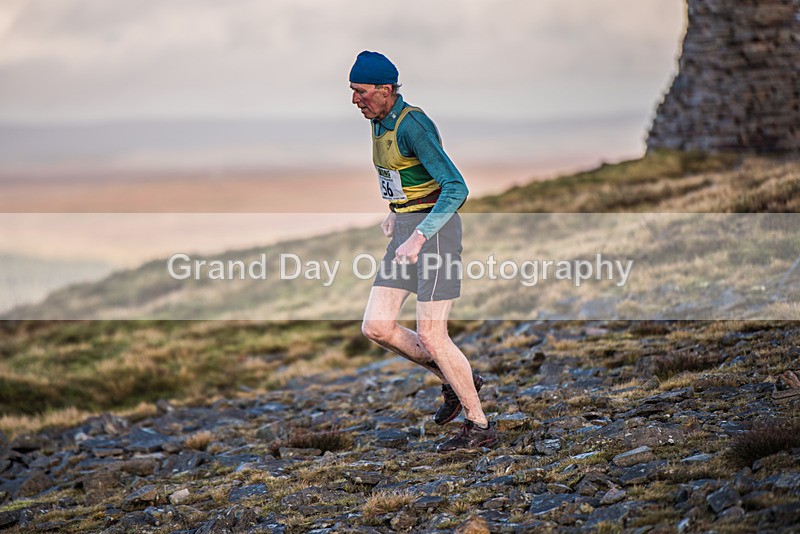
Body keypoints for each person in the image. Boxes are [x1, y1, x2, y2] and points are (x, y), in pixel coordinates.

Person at [350, 50, 498, 452]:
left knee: (433, 333)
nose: (354, 101)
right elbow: (401, 178)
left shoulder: (412, 124)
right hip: (407, 229)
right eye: (351, 92)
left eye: (361, 92)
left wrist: (420, 233)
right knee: (376, 326)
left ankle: (479, 424)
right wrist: (394, 213)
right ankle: (454, 378)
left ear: (385, 89)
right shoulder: (378, 122)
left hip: (435, 234)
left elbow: (456, 187)